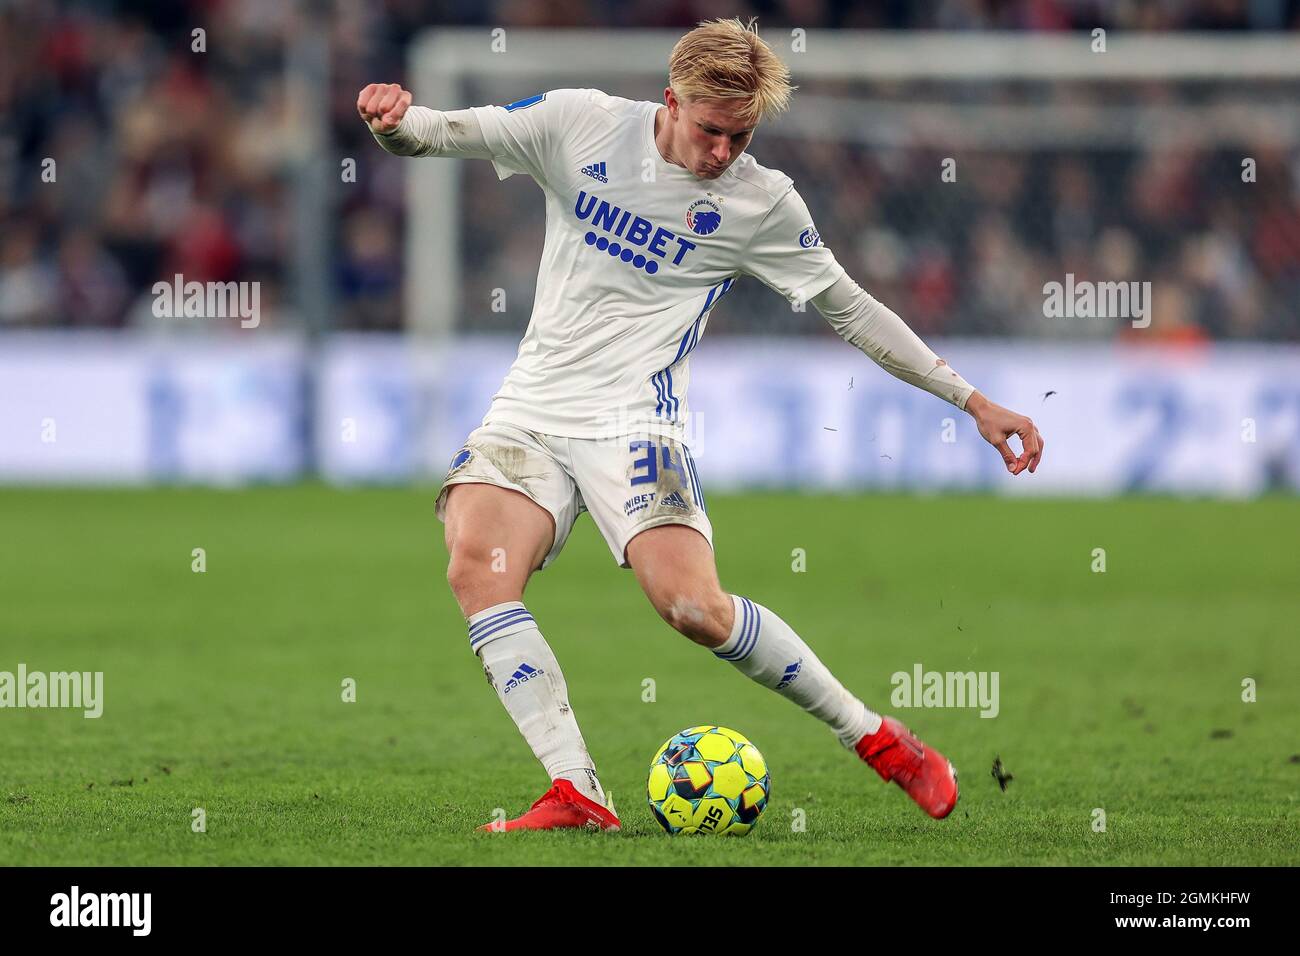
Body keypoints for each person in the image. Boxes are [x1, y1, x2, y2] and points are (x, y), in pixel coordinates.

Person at [359, 17, 1043, 832]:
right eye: (711, 131)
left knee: (692, 609)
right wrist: (395, 123)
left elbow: (852, 310)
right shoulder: (579, 124)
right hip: (532, 410)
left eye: (741, 135)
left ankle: (877, 739)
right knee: (477, 566)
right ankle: (576, 790)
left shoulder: (761, 203)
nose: (723, 152)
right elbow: (444, 134)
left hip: (639, 425)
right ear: (670, 99)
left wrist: (972, 400)